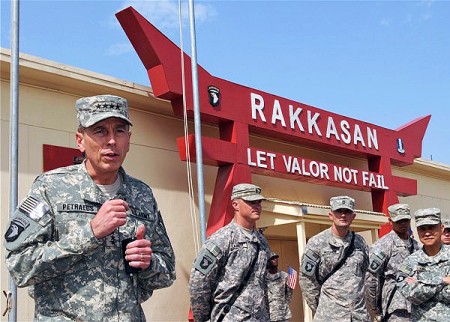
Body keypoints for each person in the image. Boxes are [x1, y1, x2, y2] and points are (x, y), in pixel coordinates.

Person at [4, 95, 176, 321]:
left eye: (120, 131)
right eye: (100, 131)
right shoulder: (51, 187)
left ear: (129, 140)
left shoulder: (141, 194)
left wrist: (148, 262)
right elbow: (20, 266)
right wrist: (90, 234)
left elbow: (167, 272)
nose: (112, 141)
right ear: (80, 140)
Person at [189, 183, 271, 321]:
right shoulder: (222, 239)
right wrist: (203, 319)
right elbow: (198, 281)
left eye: (259, 202)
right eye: (251, 202)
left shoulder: (262, 242)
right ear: (235, 205)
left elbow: (264, 283)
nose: (257, 206)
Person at [396, 208, 450, 321]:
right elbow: (411, 294)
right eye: (422, 229)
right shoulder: (410, 262)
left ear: (441, 228)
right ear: (417, 231)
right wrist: (443, 280)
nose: (427, 233)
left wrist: (424, 293)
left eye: (431, 227)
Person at [299, 196, 370, 321]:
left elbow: (364, 273)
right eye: (339, 211)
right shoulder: (317, 242)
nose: (343, 215)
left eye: (347, 211)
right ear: (331, 215)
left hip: (359, 316)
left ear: (353, 216)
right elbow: (307, 281)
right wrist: (322, 307)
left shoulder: (360, 242)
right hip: (330, 316)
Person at [365, 204, 419, 322]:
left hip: (417, 305)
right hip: (396, 307)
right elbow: (371, 278)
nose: (403, 224)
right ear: (390, 221)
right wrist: (375, 308)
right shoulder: (383, 245)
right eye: (399, 221)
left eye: (405, 220)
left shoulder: (415, 245)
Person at [266, 252, 293, 322]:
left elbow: (289, 294)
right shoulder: (263, 277)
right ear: (268, 261)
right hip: (267, 314)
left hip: (282, 314)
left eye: (276, 258)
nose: (275, 259)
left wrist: (282, 304)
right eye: (273, 258)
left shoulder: (284, 276)